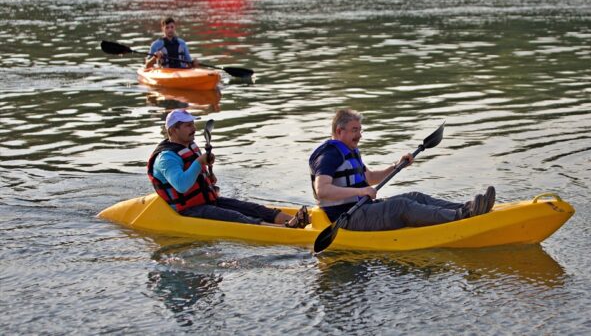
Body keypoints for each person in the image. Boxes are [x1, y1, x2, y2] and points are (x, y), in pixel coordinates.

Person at [309, 108, 496, 231]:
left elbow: (370, 177)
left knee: (415, 197)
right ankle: (461, 217)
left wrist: (396, 166)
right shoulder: (328, 155)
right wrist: (361, 191)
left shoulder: (349, 151)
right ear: (339, 131)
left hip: (362, 208)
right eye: (354, 130)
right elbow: (322, 190)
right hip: (345, 219)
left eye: (360, 130)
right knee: (401, 206)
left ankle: (468, 208)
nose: (360, 135)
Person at [147, 109, 309, 228]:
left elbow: (197, 175)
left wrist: (209, 177)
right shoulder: (166, 158)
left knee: (254, 208)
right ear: (173, 130)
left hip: (208, 201)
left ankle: (299, 220)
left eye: (193, 124)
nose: (194, 129)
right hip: (190, 210)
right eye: (188, 126)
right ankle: (288, 229)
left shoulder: (189, 145)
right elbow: (181, 185)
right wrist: (200, 162)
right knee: (236, 217)